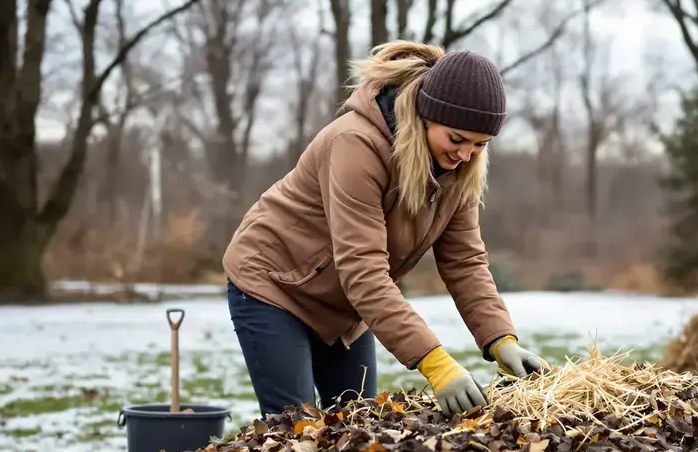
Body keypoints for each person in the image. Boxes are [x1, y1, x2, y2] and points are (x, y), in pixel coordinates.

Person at [221, 40, 548, 419]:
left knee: (357, 423)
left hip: (345, 304)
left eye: (480, 145)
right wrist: (436, 365)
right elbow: (363, 270)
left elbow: (465, 262)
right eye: (456, 139)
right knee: (296, 429)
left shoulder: (460, 170)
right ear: (424, 115)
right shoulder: (355, 144)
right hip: (273, 286)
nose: (465, 155)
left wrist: (500, 339)